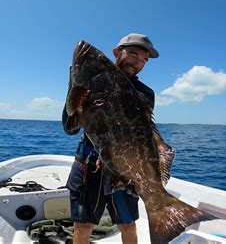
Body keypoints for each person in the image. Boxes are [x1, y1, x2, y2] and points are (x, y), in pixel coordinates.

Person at [62, 33, 159, 243]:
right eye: (133, 54)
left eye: (144, 60)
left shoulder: (145, 93)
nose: (138, 63)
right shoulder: (90, 80)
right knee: (83, 226)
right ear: (116, 52)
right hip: (89, 166)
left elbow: (141, 136)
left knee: (128, 225)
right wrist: (80, 99)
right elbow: (69, 128)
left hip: (123, 170)